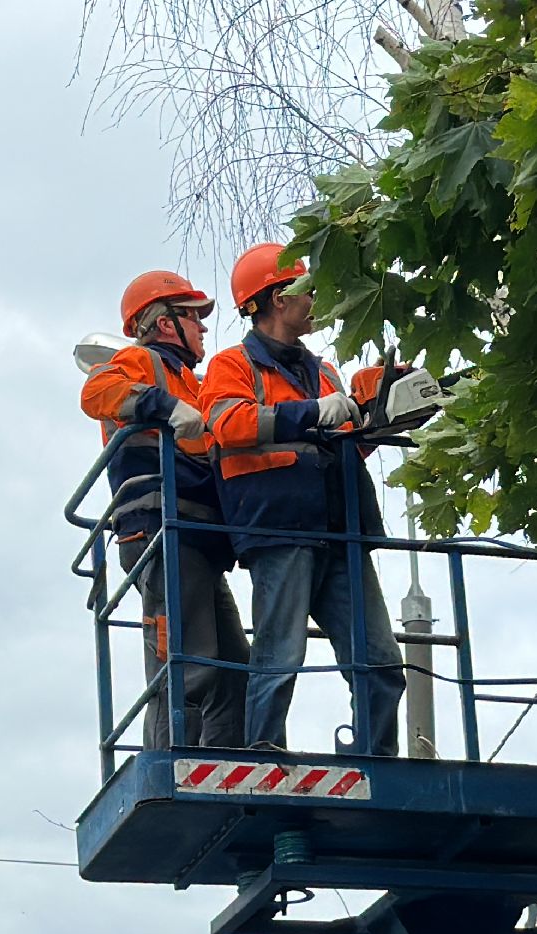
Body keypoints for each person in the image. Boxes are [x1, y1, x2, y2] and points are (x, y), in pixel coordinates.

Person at [200, 244, 404, 756]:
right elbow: (228, 424)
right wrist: (314, 412)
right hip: (281, 530)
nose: (314, 298)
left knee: (380, 663)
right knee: (279, 656)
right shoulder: (233, 365)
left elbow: (347, 444)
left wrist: (394, 414)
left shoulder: (326, 372)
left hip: (342, 532)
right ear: (272, 300)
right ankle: (263, 752)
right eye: (304, 290)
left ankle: (377, 760)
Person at [80, 270, 249, 749]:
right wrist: (161, 406)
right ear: (163, 321)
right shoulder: (142, 362)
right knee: (187, 665)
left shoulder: (193, 382)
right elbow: (96, 392)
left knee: (234, 667)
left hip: (195, 534)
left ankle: (221, 763)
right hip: (160, 528)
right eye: (194, 316)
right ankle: (175, 763)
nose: (202, 328)